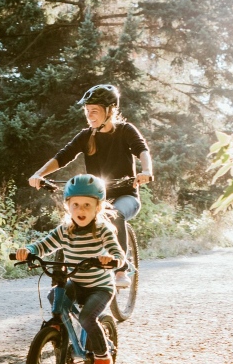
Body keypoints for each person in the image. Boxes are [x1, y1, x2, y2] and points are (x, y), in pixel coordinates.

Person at [28, 84, 152, 289]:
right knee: (72, 219)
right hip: (96, 199)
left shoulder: (125, 131)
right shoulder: (86, 136)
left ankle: (121, 268)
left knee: (115, 214)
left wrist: (146, 171)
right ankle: (65, 272)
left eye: (94, 110)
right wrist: (39, 174)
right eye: (87, 111)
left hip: (126, 196)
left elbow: (142, 150)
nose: (89, 115)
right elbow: (63, 156)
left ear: (110, 110)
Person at [14, 174, 124, 364]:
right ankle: (60, 331)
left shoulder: (103, 231)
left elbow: (118, 255)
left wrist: (111, 259)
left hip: (100, 287)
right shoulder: (65, 231)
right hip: (78, 282)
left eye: (86, 205)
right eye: (75, 205)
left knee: (86, 318)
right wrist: (28, 251)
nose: (80, 210)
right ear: (67, 206)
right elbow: (42, 245)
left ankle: (102, 356)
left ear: (97, 207)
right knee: (54, 295)